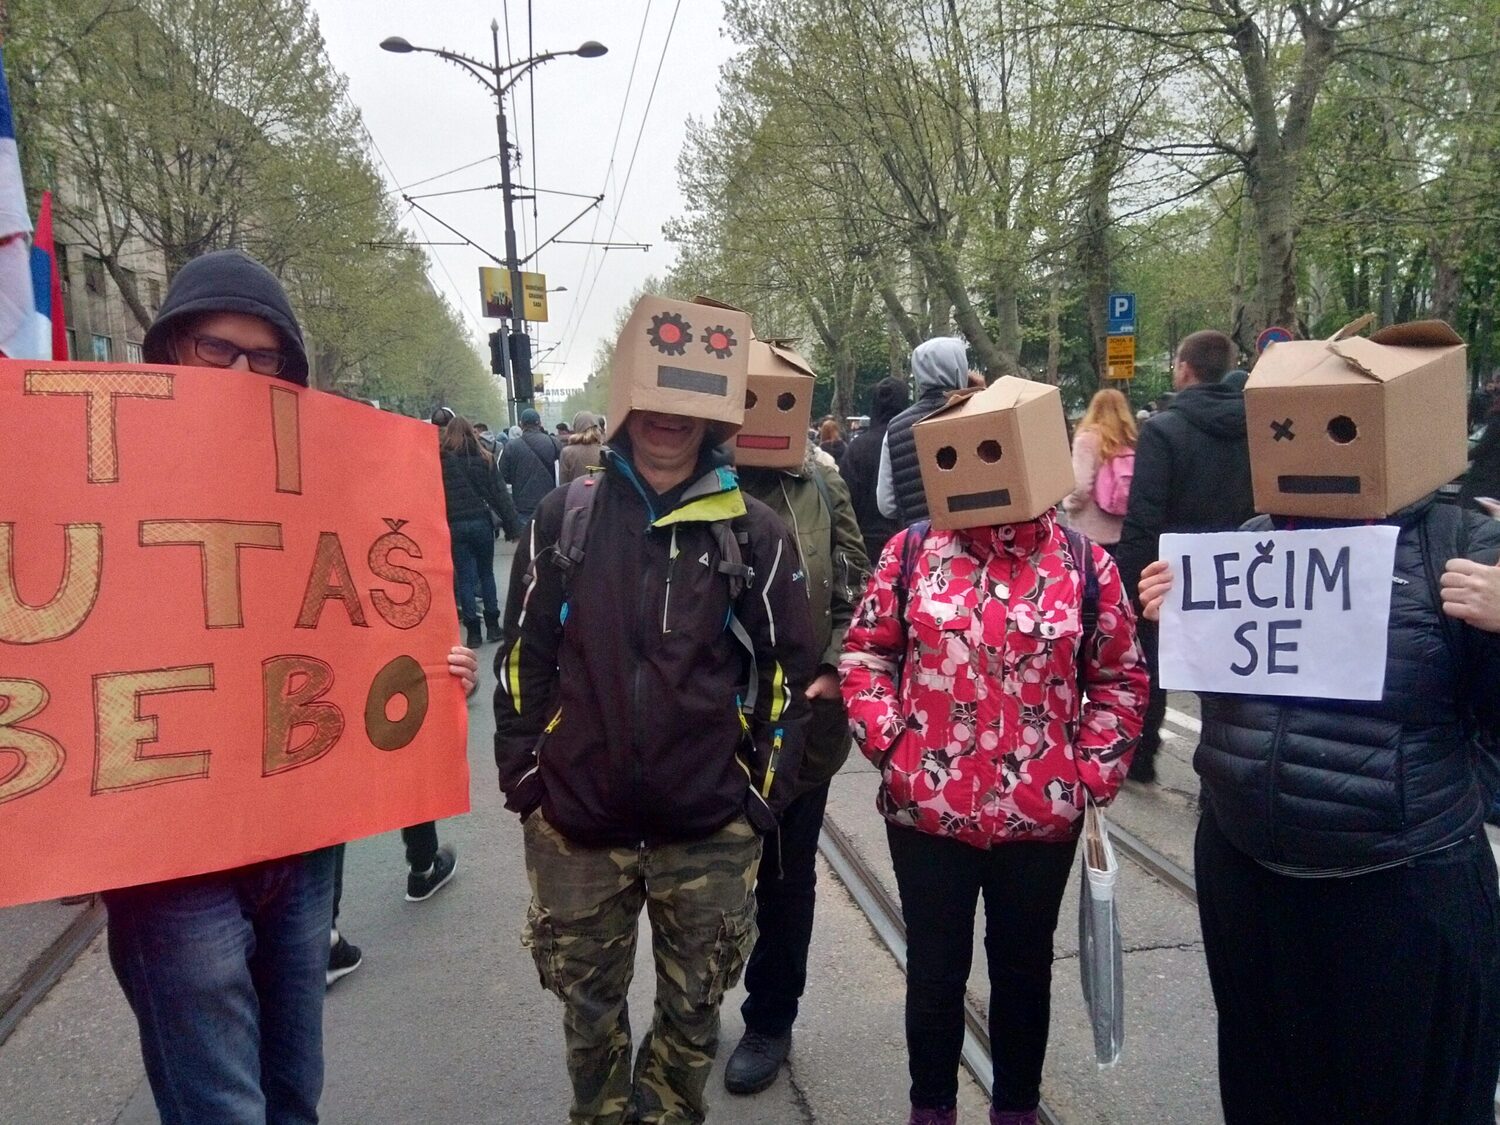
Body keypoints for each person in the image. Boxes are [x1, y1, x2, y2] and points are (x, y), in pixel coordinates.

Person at [108, 248, 475, 1124]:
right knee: (224, 1109)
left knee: (293, 1094)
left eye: (263, 357)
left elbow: (363, 624)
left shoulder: (323, 484)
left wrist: (431, 668)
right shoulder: (107, 484)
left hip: (301, 847)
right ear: (167, 352)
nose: (240, 373)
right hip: (174, 860)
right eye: (215, 349)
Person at [495, 296, 819, 1125]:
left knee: (692, 1015)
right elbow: (524, 658)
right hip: (578, 822)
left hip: (707, 828)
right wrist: (528, 778)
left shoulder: (756, 532)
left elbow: (791, 671)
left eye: (689, 405)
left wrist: (759, 797)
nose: (669, 419)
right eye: (654, 399)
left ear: (715, 417)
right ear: (625, 401)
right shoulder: (563, 519)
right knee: (589, 1014)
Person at [1137, 487, 1500, 1125]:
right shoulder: (1254, 536)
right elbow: (1230, 703)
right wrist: (1180, 619)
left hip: (1398, 886)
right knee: (1268, 1084)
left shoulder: (1461, 542)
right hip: (1248, 872)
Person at [841, 444, 1147, 1125]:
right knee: (935, 972)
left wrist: (1087, 772)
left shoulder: (1084, 565)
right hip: (928, 812)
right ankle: (932, 1109)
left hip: (1040, 820)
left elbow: (1120, 677)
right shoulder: (912, 553)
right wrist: (894, 746)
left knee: (1021, 972)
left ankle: (1015, 1108)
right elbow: (867, 653)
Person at [724, 394, 870, 1096]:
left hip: (796, 727)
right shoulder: (679, 476)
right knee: (692, 880)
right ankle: (683, 1016)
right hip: (699, 729)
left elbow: (855, 583)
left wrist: (837, 663)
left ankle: (770, 1016)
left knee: (785, 879)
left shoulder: (820, 479)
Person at [1113, 329, 1253, 783]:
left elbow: (1144, 514)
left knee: (1153, 667)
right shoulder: (1259, 427)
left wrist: (1127, 585)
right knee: (1231, 670)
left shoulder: (1163, 429)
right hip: (1242, 569)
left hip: (1170, 574)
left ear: (1185, 369)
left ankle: (1143, 754)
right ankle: (1226, 772)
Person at [441, 414, 519, 647]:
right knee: (486, 573)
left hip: (454, 525)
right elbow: (500, 495)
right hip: (481, 523)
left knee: (465, 577)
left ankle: (473, 632)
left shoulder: (441, 461)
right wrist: (512, 526)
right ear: (472, 433)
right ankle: (494, 626)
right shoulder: (485, 458)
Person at [877, 338, 971, 525]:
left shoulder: (895, 428)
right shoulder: (977, 413)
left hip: (923, 544)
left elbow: (886, 505)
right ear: (960, 368)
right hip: (976, 542)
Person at [842, 376, 911, 564]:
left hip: (867, 546)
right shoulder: (912, 441)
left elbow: (846, 501)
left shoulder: (858, 447)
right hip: (908, 542)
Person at [1061, 388, 1137, 549]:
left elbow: (1080, 487)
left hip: (1088, 533)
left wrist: (1068, 504)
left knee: (1089, 574)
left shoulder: (1087, 439)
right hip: (1121, 531)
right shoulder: (1130, 441)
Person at [499, 406, 562, 533]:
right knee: (547, 543)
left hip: (523, 505)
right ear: (539, 423)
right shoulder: (553, 442)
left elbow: (503, 475)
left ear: (521, 425)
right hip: (549, 502)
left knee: (526, 545)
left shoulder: (511, 446)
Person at [559, 409, 605, 484]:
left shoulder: (567, 452)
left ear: (576, 427)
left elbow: (563, 482)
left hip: (576, 494)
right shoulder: (604, 450)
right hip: (599, 494)